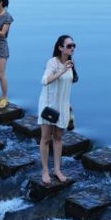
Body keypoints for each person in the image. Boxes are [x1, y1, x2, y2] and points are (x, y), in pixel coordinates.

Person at [39, 34, 77, 185]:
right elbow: (45, 81)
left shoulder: (70, 63)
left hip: (62, 105)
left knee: (59, 138)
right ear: (60, 48)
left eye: (74, 45)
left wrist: (68, 103)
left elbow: (66, 86)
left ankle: (57, 169)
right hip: (49, 105)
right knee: (46, 138)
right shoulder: (52, 63)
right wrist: (62, 71)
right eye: (69, 46)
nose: (72, 48)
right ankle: (45, 171)